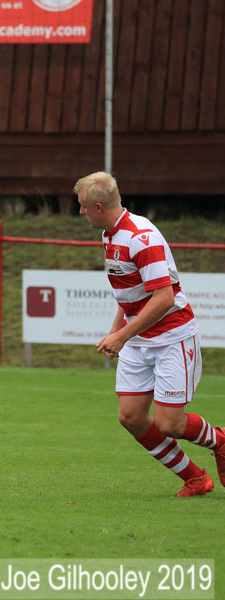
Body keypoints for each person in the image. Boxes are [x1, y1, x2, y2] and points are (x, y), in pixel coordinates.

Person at [75, 171, 225, 497]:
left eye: (83, 207)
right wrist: (118, 331)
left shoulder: (141, 238)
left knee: (170, 423)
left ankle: (222, 442)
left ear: (98, 206)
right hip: (138, 339)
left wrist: (122, 336)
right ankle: (195, 478)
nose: (80, 212)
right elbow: (133, 294)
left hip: (172, 337)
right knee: (131, 416)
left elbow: (164, 298)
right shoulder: (110, 234)